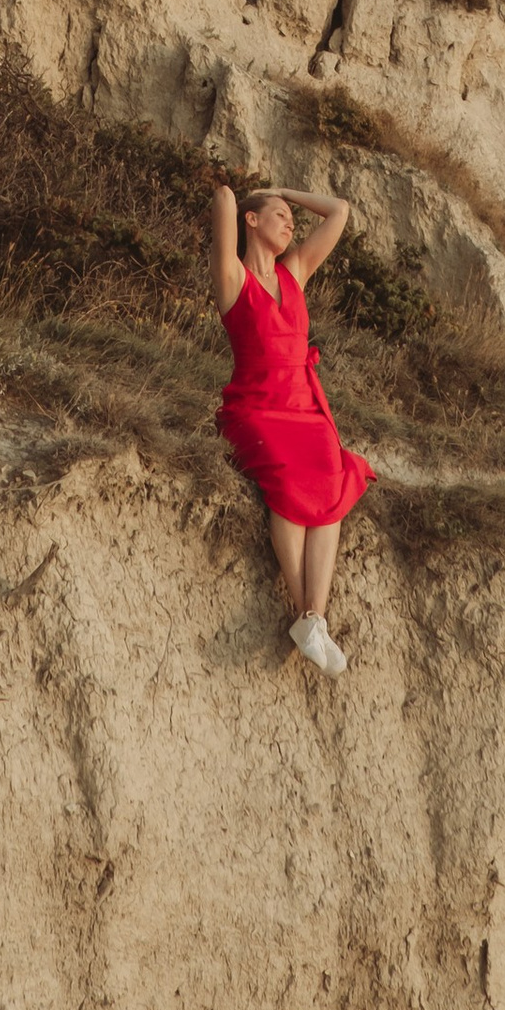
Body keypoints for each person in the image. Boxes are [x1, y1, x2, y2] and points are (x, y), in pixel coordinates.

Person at [207, 177, 375, 673]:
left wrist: (285, 191)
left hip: (305, 405)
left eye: (291, 217)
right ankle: (307, 615)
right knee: (287, 483)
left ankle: (312, 618)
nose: (290, 221)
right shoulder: (232, 277)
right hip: (257, 407)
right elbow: (222, 201)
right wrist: (241, 192)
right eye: (278, 214)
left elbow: (339, 211)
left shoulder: (295, 272)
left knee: (332, 484)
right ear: (251, 222)